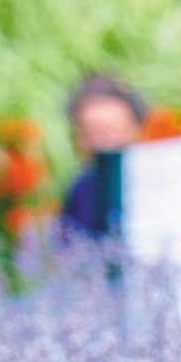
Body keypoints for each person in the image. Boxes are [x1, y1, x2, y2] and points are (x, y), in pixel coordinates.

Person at [60, 74, 149, 239]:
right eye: (93, 133)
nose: (105, 143)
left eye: (112, 130)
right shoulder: (81, 188)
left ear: (136, 130)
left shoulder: (158, 181)